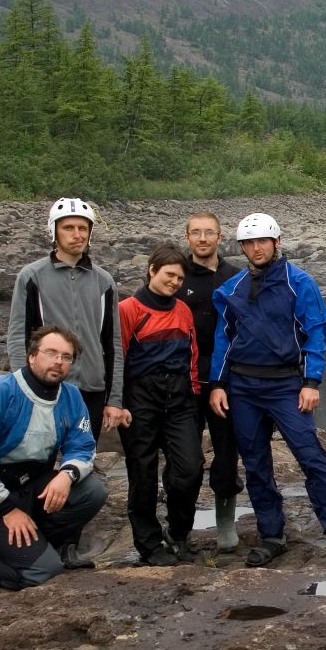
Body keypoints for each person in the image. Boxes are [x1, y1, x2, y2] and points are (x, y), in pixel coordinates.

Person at [209, 212, 326, 566]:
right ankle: (271, 534)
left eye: (262, 240)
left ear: (276, 242)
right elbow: (223, 341)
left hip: (286, 384)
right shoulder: (230, 291)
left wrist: (311, 381)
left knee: (310, 455)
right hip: (244, 387)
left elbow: (316, 331)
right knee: (256, 462)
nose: (256, 248)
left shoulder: (299, 282)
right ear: (243, 248)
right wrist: (218, 384)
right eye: (249, 243)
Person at [0, 326, 109, 597]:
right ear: (31, 356)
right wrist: (7, 510)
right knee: (43, 571)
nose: (58, 362)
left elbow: (83, 446)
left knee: (92, 490)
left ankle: (46, 545)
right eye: (51, 353)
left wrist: (66, 475)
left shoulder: (72, 396)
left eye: (66, 357)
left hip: (31, 485)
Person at [7, 197, 129, 442]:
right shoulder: (32, 276)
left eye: (83, 228)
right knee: (42, 461)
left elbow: (112, 343)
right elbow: (18, 336)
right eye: (68, 228)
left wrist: (114, 399)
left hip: (91, 388)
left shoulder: (104, 281)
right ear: (54, 231)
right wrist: (23, 388)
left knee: (82, 459)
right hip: (46, 385)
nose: (77, 234)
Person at [118, 243, 203, 566]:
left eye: (180, 278)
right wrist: (118, 403)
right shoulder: (128, 309)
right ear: (151, 270)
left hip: (180, 397)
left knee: (191, 468)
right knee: (142, 473)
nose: (174, 282)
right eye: (169, 275)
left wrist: (194, 395)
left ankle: (179, 532)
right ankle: (149, 544)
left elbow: (192, 355)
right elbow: (118, 357)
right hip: (140, 398)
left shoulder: (182, 310)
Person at [177, 211, 244, 551]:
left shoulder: (236, 277)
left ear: (221, 238)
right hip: (184, 379)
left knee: (226, 452)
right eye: (196, 233)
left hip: (226, 379)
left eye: (209, 233)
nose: (202, 239)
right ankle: (181, 527)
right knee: (184, 457)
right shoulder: (176, 276)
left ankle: (225, 524)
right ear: (187, 238)